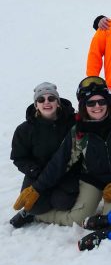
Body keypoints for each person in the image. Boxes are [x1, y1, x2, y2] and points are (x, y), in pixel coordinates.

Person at [13, 77, 111, 226]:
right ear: (84, 105)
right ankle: (36, 216)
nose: (97, 106)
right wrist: (36, 188)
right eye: (91, 103)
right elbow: (61, 162)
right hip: (93, 180)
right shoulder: (79, 131)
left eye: (101, 101)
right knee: (77, 219)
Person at [9, 82, 77, 228]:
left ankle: (40, 213)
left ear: (58, 103)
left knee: (63, 203)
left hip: (65, 173)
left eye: (51, 98)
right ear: (36, 105)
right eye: (41, 100)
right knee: (34, 206)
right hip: (38, 175)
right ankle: (29, 213)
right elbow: (18, 157)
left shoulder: (71, 121)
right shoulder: (24, 130)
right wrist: (32, 169)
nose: (46, 102)